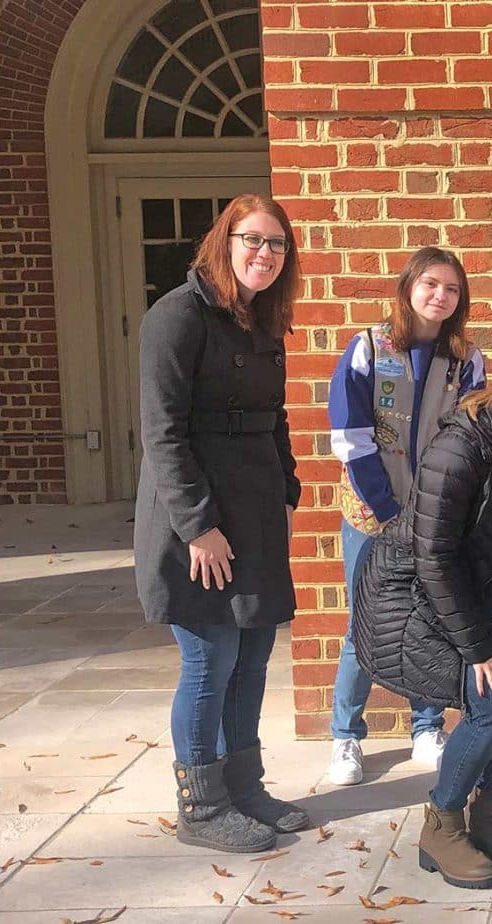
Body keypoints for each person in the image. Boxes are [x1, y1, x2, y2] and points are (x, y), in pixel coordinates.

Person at [354, 319, 492, 889]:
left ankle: (486, 812)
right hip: (412, 592)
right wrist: (480, 649)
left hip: (486, 588)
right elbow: (434, 555)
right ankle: (442, 823)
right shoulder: (466, 440)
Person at [134, 194, 309, 853]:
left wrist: (287, 492)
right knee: (211, 659)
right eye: (253, 240)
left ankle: (245, 788)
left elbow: (277, 417)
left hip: (257, 510)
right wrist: (198, 526)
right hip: (199, 520)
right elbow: (161, 434)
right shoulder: (176, 319)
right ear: (223, 242)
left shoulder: (263, 321)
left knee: (255, 657)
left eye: (277, 244)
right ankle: (202, 809)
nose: (264, 253)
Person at [326, 248, 486, 785]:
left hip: (437, 517)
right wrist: (389, 510)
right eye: (431, 284)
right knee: (363, 624)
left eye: (452, 289)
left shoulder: (467, 359)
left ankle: (426, 726)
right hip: (374, 514)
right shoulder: (369, 348)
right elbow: (351, 437)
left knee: (430, 618)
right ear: (409, 286)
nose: (440, 296)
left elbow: (473, 438)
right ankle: (345, 737)